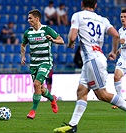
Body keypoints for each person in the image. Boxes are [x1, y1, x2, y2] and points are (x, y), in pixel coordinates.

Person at [54, 0, 126, 132]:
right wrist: (113, 52)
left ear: (82, 4)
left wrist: (70, 43)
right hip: (94, 59)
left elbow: (73, 35)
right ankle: (72, 126)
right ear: (96, 5)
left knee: (102, 95)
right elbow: (116, 34)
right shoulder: (102, 19)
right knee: (81, 92)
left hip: (92, 59)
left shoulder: (78, 15)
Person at [21, 9, 64, 119]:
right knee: (40, 89)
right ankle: (52, 98)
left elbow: (61, 40)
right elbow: (23, 45)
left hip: (45, 62)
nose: (28, 20)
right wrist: (23, 56)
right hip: (34, 64)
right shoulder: (28, 33)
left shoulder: (47, 30)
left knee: (36, 84)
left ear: (37, 18)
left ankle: (32, 111)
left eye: (30, 18)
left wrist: (53, 40)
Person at [112, 9, 126, 109]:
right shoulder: (120, 31)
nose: (123, 19)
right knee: (116, 77)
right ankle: (120, 101)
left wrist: (124, 42)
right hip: (123, 59)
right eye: (121, 17)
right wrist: (118, 50)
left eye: (125, 17)